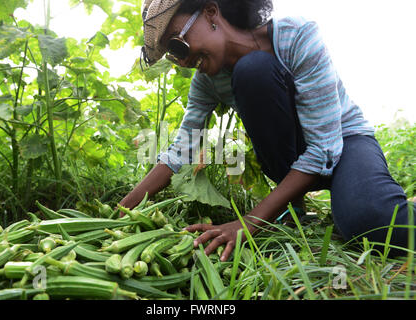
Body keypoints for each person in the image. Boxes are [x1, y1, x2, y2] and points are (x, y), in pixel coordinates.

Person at [119, 0, 415, 261]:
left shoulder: (297, 36)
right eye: (173, 56)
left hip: (344, 141)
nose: (183, 61)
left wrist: (249, 221)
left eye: (177, 45)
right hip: (292, 162)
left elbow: (325, 146)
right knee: (252, 72)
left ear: (210, 12)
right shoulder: (207, 82)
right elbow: (181, 149)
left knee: (370, 222)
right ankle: (294, 207)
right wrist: (122, 209)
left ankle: (374, 200)